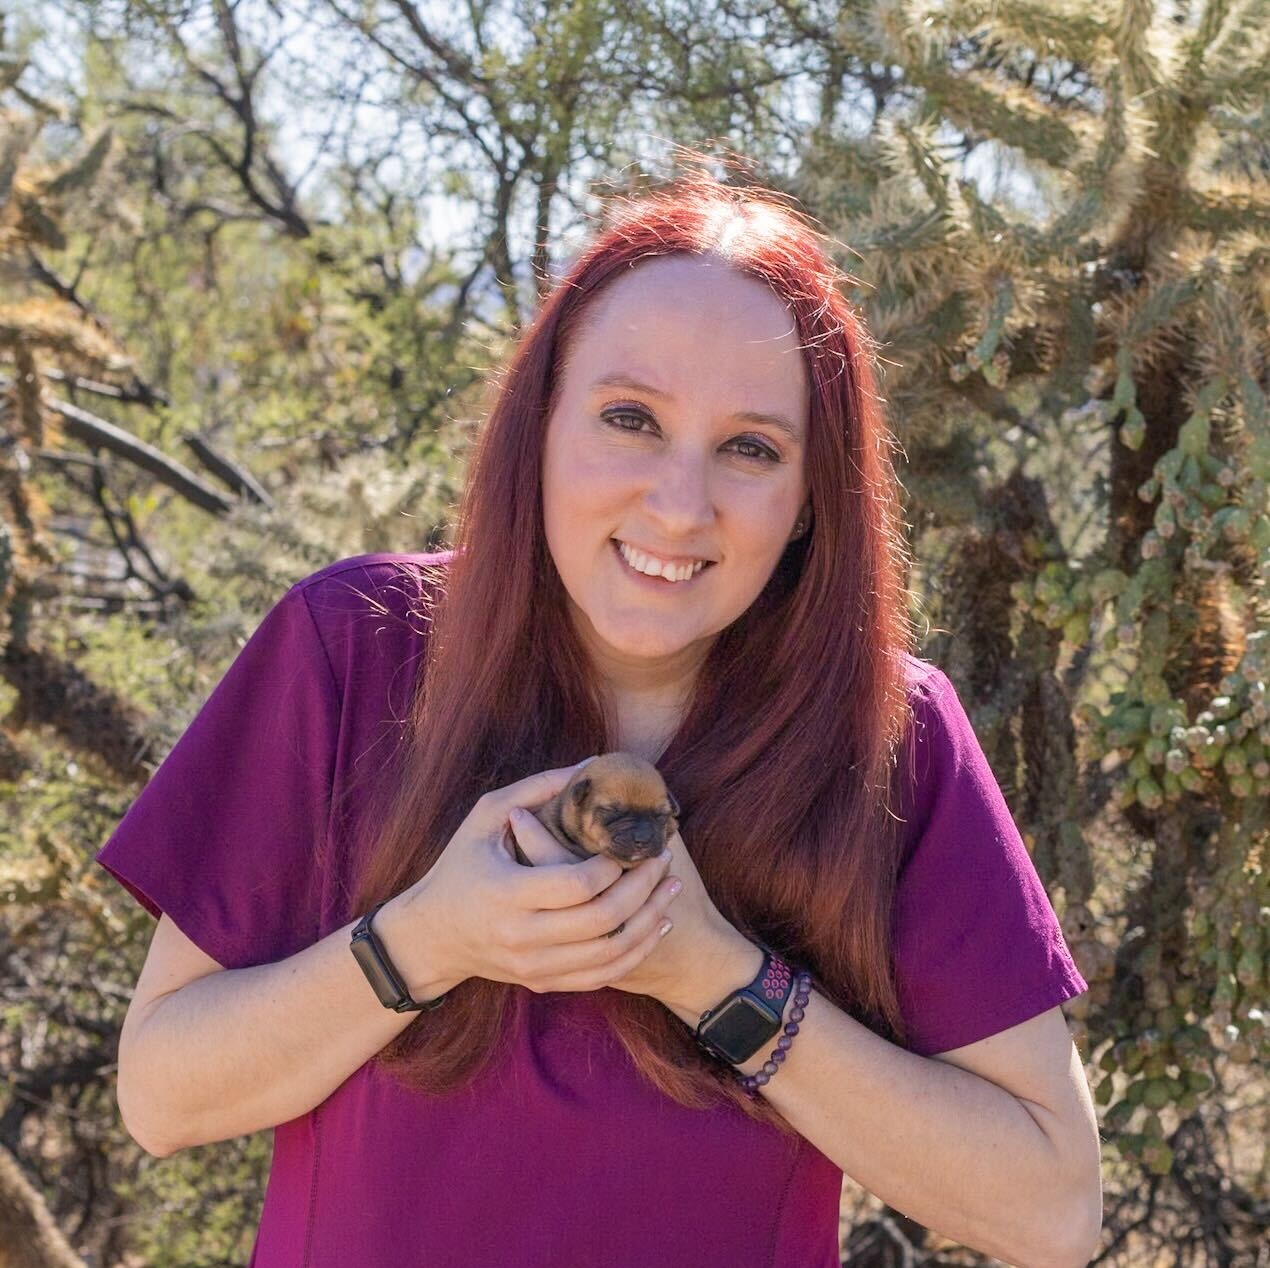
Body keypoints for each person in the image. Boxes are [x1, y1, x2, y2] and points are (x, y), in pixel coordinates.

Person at [97, 170, 1102, 1268]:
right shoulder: (352, 646)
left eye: (750, 447)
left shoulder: (890, 738)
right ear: (540, 423)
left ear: (814, 492)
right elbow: (160, 1092)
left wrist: (714, 973)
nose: (679, 504)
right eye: (630, 418)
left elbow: (1049, 1208)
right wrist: (431, 939)